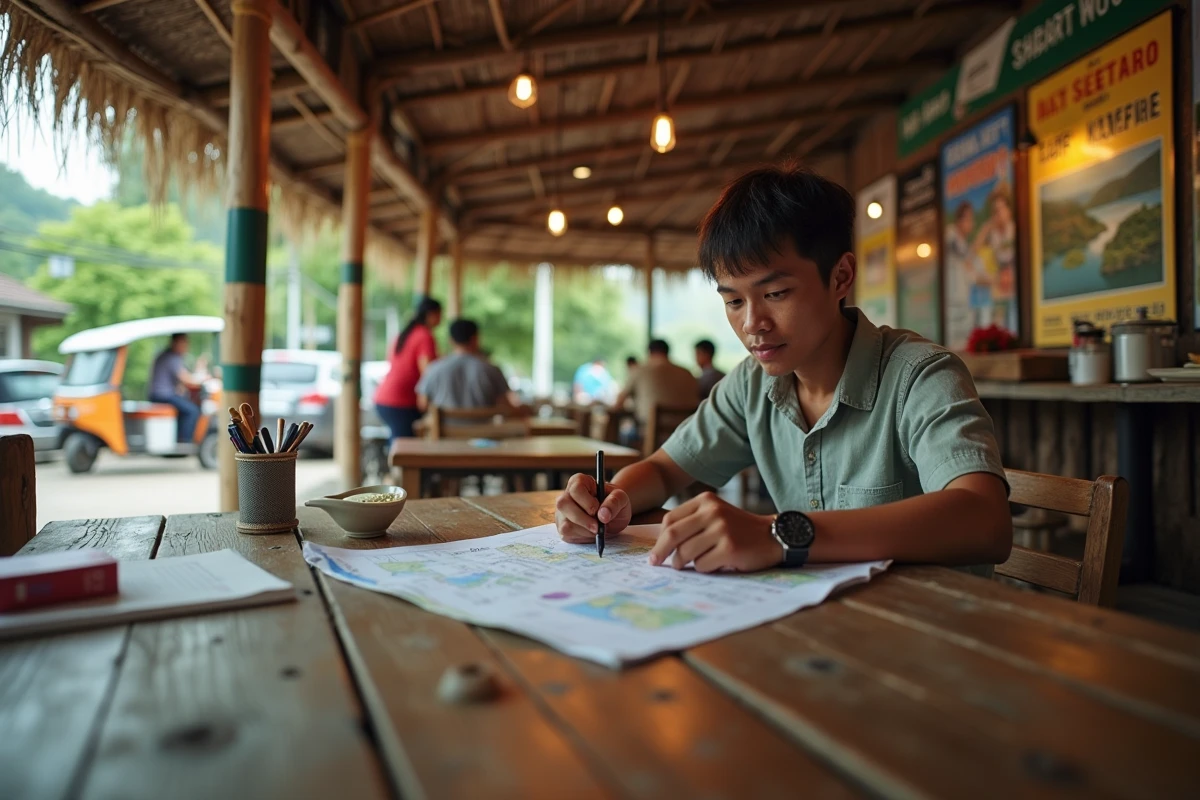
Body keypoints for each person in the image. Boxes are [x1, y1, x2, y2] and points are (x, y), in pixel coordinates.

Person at [554, 164, 1011, 574]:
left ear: (841, 277)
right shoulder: (752, 385)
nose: (752, 324)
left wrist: (780, 534)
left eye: (775, 294)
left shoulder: (920, 376)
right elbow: (664, 470)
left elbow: (985, 520)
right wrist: (608, 502)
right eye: (733, 301)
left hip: (930, 636)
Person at [374, 296, 442, 442]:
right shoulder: (424, 336)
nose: (441, 319)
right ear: (431, 314)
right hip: (401, 401)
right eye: (439, 314)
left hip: (385, 397)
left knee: (399, 444)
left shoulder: (404, 334)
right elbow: (428, 372)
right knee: (404, 450)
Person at [416, 319, 519, 412]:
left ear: (451, 340)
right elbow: (505, 406)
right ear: (476, 339)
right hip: (483, 432)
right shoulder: (492, 369)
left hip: (444, 432)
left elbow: (423, 404)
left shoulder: (434, 368)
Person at [611, 339, 698, 434]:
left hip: (649, 433)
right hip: (685, 432)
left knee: (624, 434)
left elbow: (619, 404)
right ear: (667, 352)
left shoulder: (639, 370)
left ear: (649, 352)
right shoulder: (687, 373)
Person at [148, 333, 203, 443]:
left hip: (161, 394)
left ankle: (179, 438)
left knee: (185, 405)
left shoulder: (166, 355)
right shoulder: (172, 357)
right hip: (162, 395)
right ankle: (184, 442)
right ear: (176, 343)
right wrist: (201, 380)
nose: (186, 347)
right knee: (192, 411)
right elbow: (185, 378)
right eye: (184, 344)